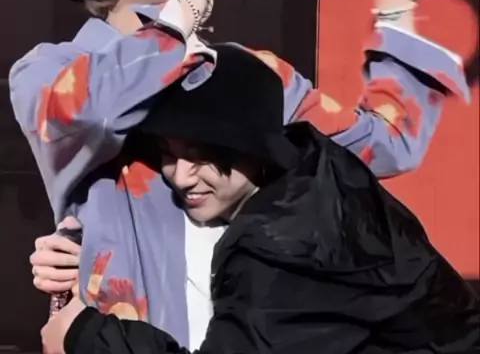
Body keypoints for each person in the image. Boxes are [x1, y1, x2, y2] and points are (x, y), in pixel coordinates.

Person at [13, 0, 470, 349]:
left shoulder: (248, 77)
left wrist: (394, 3)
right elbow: (97, 109)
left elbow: (386, 144)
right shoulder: (52, 70)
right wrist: (189, 5)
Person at [41, 44, 479, 354]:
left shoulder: (283, 243)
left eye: (201, 155)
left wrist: (84, 335)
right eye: (167, 154)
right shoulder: (317, 169)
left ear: (251, 149)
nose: (180, 176)